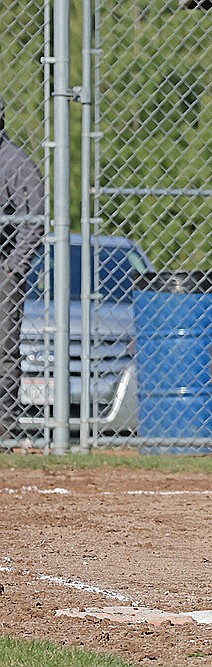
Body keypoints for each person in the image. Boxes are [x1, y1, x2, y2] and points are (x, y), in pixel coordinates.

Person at [0, 96, 45, 439]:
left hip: (3, 269)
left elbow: (35, 218)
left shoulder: (15, 163)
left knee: (3, 350)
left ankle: (4, 427)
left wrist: (14, 268)